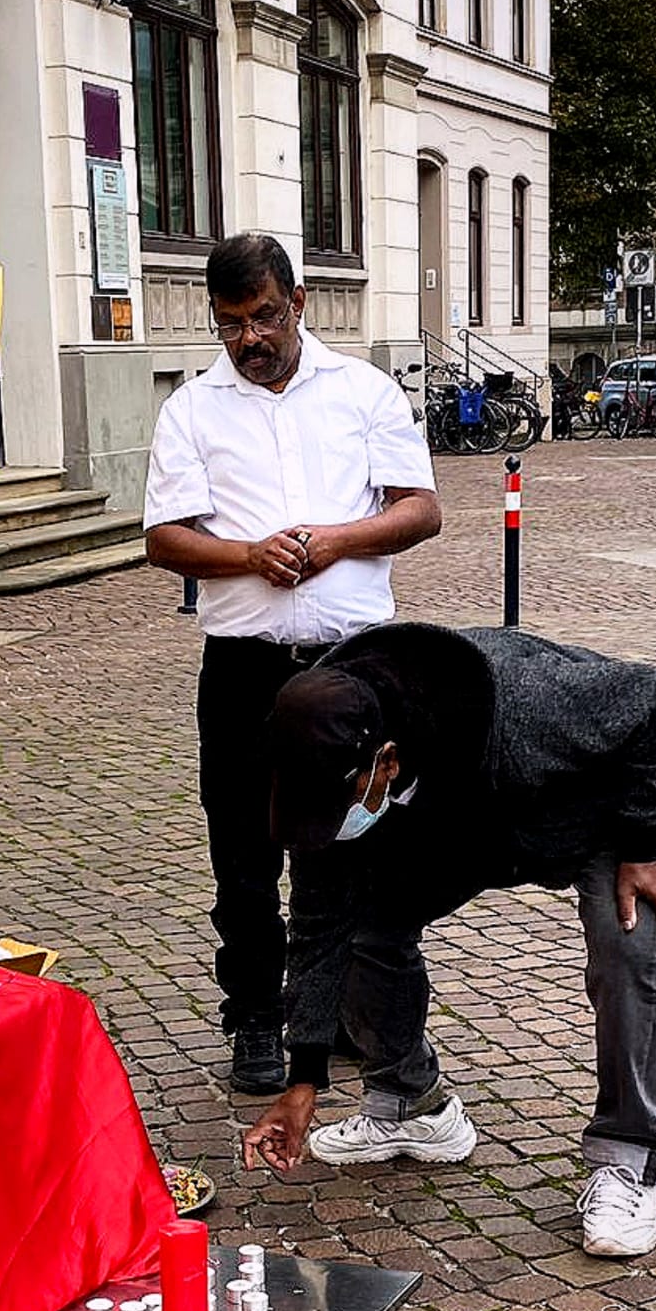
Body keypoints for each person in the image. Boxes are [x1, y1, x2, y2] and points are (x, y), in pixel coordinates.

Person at [240, 621, 656, 1258]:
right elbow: (318, 930)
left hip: (610, 812)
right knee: (362, 930)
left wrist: (645, 844)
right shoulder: (318, 757)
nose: (331, 824)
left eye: (339, 805)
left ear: (387, 761)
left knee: (628, 942)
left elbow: (655, 697)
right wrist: (303, 1080)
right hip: (471, 818)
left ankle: (631, 1158)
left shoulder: (523, 702)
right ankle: (412, 1106)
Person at [144, 233, 441, 1095]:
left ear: (298, 302)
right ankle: (253, 1019)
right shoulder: (191, 410)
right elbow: (164, 538)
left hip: (355, 670)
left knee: (354, 845)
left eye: (265, 316)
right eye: (230, 322)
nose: (250, 338)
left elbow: (420, 510)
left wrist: (336, 540)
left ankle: (343, 1011)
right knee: (243, 854)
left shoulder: (362, 390)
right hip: (243, 671)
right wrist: (247, 555)